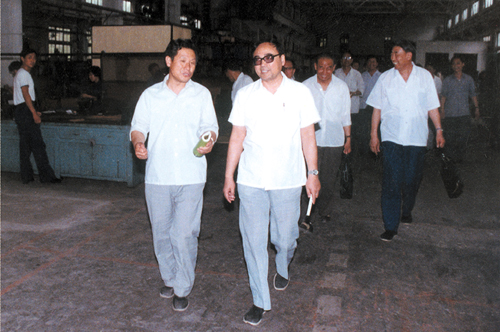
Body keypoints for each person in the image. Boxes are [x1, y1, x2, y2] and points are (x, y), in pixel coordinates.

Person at [223, 40, 320, 326]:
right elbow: (237, 138)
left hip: (288, 179)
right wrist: (229, 175)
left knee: (285, 238)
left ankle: (283, 263)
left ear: (281, 59)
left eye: (268, 58)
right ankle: (259, 300)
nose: (262, 64)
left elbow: (308, 137)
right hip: (251, 180)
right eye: (257, 60)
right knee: (253, 242)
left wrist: (312, 174)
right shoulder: (245, 95)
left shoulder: (300, 93)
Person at [130, 39, 219, 312]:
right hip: (158, 176)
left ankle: (182, 287)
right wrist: (138, 143)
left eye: (192, 62)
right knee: (161, 232)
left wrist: (210, 140)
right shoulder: (150, 95)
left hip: (192, 176)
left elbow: (210, 128)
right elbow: (138, 127)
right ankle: (169, 277)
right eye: (183, 61)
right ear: (169, 61)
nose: (188, 67)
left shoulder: (202, 94)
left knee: (184, 233)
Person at [367, 39, 445, 242]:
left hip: (417, 138)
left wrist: (438, 130)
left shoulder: (424, 77)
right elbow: (377, 107)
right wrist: (374, 134)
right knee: (391, 182)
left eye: (396, 53)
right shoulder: (385, 78)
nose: (393, 58)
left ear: (409, 56)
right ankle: (390, 226)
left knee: (411, 180)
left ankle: (407, 209)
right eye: (392, 54)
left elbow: (432, 107)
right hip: (391, 137)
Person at [299, 53, 351, 231]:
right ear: (315, 66)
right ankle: (305, 213)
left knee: (328, 179)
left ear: (334, 67)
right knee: (308, 177)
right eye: (321, 67)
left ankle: (325, 210)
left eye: (329, 67)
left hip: (334, 140)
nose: (324, 71)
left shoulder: (342, 87)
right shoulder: (305, 86)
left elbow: (346, 115)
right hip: (310, 141)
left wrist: (348, 138)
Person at [13, 49, 61, 184]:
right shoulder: (24, 74)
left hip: (22, 111)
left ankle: (26, 177)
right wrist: (33, 113)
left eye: (34, 58)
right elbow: (25, 94)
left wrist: (32, 110)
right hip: (25, 111)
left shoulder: (21, 73)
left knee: (26, 146)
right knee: (38, 145)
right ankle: (47, 177)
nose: (32, 60)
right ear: (22, 58)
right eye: (29, 57)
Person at [440, 56, 479, 162]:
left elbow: (473, 95)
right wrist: (442, 110)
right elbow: (443, 96)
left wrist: (476, 108)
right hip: (450, 114)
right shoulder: (447, 80)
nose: (456, 66)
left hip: (464, 113)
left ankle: (459, 158)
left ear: (463, 64)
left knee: (463, 137)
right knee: (450, 138)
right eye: (453, 64)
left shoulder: (469, 79)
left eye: (458, 63)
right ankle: (450, 159)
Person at [335, 51, 365, 154]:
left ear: (352, 60)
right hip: (339, 109)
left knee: (352, 134)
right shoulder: (336, 72)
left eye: (349, 58)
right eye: (344, 58)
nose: (346, 60)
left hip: (353, 109)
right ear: (341, 60)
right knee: (340, 133)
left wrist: (353, 93)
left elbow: (361, 90)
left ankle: (351, 154)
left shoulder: (357, 74)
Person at [359, 55, 382, 156]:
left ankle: (377, 151)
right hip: (364, 107)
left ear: (377, 64)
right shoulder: (362, 76)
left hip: (376, 108)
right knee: (365, 131)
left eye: (373, 62)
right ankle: (366, 153)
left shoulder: (382, 76)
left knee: (377, 130)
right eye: (369, 62)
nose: (371, 64)